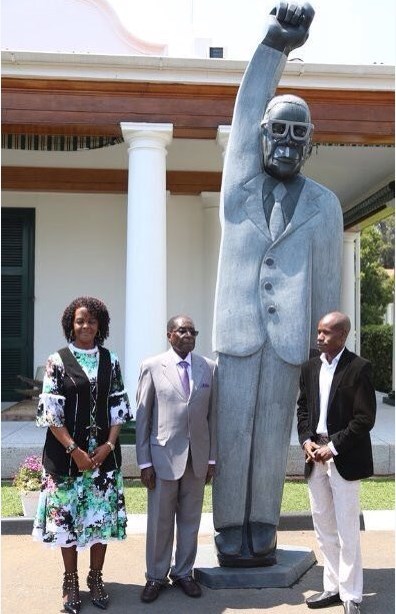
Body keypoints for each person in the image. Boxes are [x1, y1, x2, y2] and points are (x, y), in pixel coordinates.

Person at [212, 2, 344, 566]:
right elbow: (245, 111)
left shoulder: (325, 205)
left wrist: (328, 360)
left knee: (270, 439)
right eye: (278, 131)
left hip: (292, 342)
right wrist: (274, 47)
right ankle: (228, 528)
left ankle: (262, 524)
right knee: (234, 434)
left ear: (311, 142)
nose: (287, 142)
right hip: (239, 335)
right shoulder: (239, 186)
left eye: (299, 133)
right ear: (261, 137)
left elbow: (331, 289)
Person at [33, 296, 132, 613]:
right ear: (70, 325)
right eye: (80, 320)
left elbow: (118, 407)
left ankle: (96, 577)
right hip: (66, 459)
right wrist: (74, 450)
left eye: (91, 320)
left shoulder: (111, 360)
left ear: (100, 325)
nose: (86, 325)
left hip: (102, 459)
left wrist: (109, 445)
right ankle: (71, 580)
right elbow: (51, 414)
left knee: (100, 519)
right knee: (69, 520)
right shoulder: (57, 361)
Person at [296, 311, 376, 614]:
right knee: (323, 526)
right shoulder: (309, 368)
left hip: (344, 458)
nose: (319, 337)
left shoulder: (359, 369)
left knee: (346, 530)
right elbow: (302, 410)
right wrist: (307, 441)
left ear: (342, 336)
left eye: (326, 333)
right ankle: (332, 587)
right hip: (313, 456)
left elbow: (364, 418)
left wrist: (333, 448)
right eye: (318, 331)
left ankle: (351, 595)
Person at [136, 315, 217, 603]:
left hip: (197, 458)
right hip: (162, 459)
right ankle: (155, 576)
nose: (188, 334)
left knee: (190, 520)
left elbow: (213, 417)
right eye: (182, 330)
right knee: (160, 521)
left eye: (192, 331)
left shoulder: (208, 367)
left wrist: (212, 459)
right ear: (169, 334)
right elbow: (143, 418)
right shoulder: (152, 366)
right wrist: (144, 462)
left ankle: (183, 573)